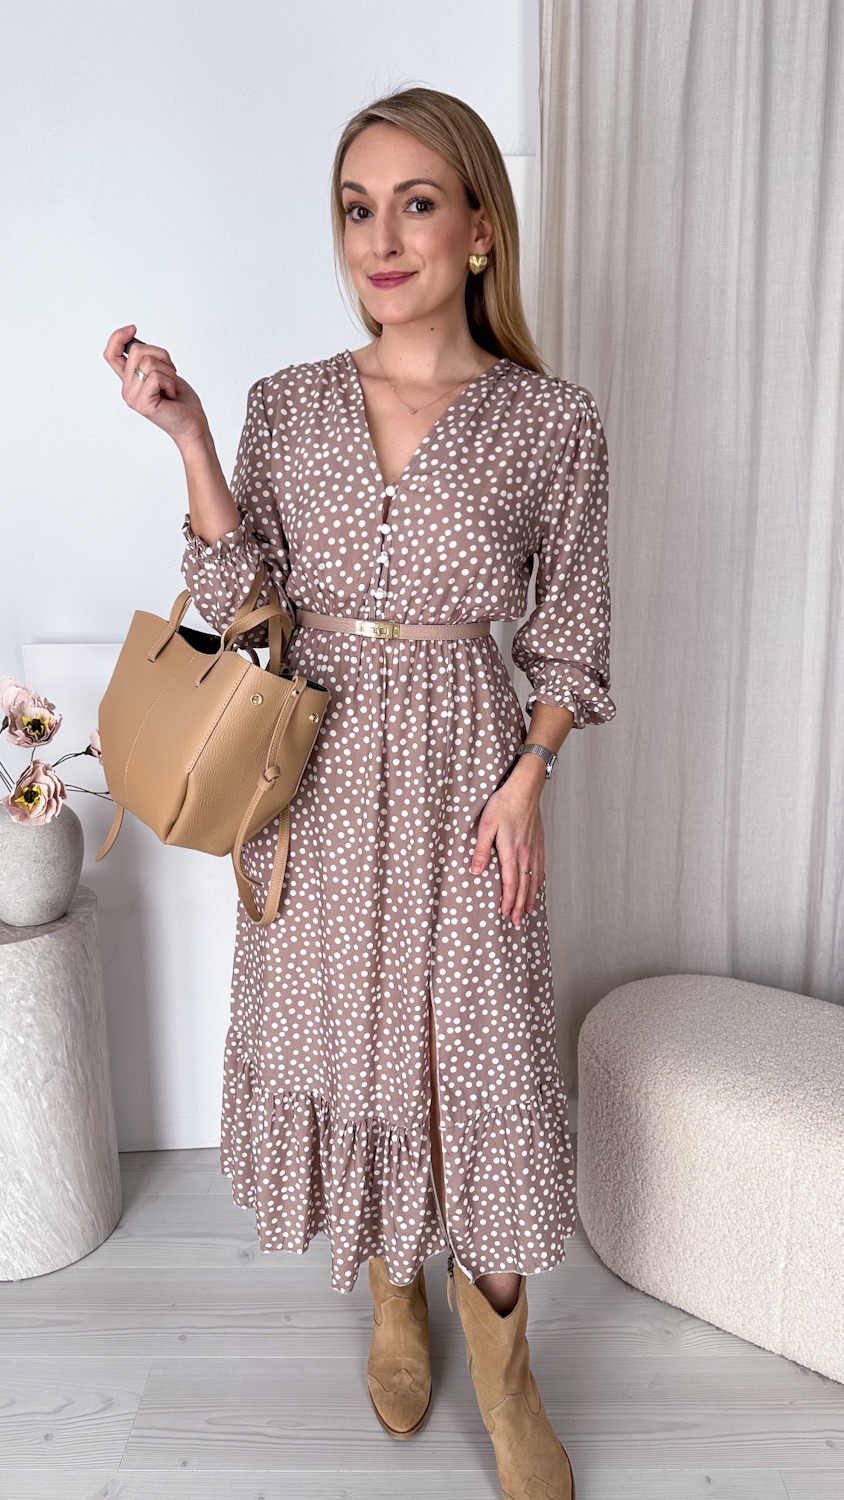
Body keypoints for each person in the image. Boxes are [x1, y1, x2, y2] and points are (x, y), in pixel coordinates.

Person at [103, 83, 614, 1500]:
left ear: (479, 230)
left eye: (415, 204)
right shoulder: (287, 405)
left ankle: (506, 1372)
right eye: (355, 209)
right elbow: (246, 609)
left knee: (485, 1059)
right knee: (360, 1044)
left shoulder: (553, 423)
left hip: (469, 776)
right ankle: (393, 1287)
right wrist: (194, 442)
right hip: (316, 778)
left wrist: (530, 777)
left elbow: (574, 635)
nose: (380, 240)